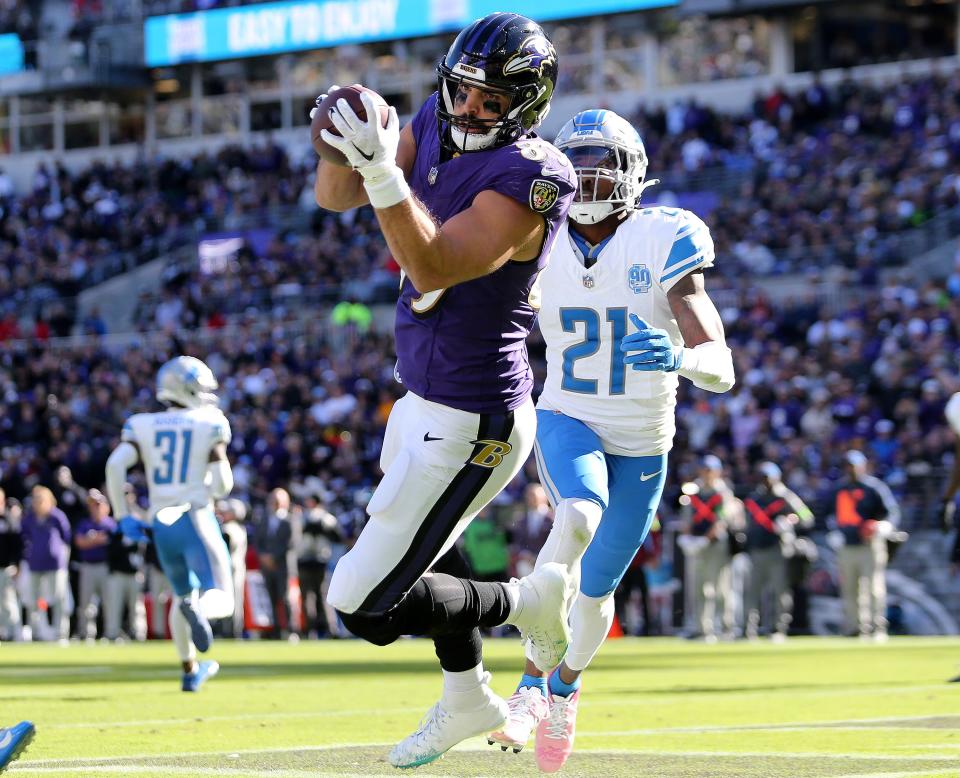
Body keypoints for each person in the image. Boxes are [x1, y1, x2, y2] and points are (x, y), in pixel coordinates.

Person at [314, 12, 578, 768]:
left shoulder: (535, 174)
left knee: (361, 606)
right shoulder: (435, 116)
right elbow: (336, 195)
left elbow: (435, 266)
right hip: (422, 399)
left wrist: (381, 173)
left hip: (477, 419)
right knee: (431, 554)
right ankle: (466, 696)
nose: (467, 111)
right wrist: (338, 130)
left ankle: (528, 602)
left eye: (490, 102)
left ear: (526, 105)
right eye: (461, 93)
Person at [489, 109, 735, 772]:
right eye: (581, 163)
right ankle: (529, 686)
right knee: (578, 513)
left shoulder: (665, 236)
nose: (593, 175)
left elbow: (723, 365)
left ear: (633, 172)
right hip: (570, 413)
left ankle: (564, 687)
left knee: (597, 591)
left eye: (605, 161)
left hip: (645, 440)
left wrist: (682, 357)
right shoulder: (535, 235)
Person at [105, 356, 235, 692]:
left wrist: (122, 517)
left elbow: (115, 466)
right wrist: (209, 489)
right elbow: (223, 483)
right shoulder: (209, 422)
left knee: (182, 595)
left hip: (160, 524)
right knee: (220, 596)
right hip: (194, 516)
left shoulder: (142, 423)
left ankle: (189, 669)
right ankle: (200, 612)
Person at [833, 450, 901, 641]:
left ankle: (877, 626)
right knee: (849, 589)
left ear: (862, 466)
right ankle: (854, 627)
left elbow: (892, 512)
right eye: (847, 465)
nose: (850, 469)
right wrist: (834, 531)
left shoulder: (874, 487)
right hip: (847, 544)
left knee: (873, 587)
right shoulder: (840, 489)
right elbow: (831, 513)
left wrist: (882, 525)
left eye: (853, 465)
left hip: (869, 543)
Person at [742, 462, 813, 642]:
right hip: (757, 550)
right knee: (752, 592)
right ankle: (748, 628)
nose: (765, 481)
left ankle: (777, 628)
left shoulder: (786, 497)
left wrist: (790, 520)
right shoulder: (755, 498)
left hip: (779, 550)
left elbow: (806, 517)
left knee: (780, 591)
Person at [680, 456, 741, 643]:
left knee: (721, 587)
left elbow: (721, 521)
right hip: (698, 544)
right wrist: (688, 538)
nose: (706, 473)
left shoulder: (723, 493)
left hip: (717, 545)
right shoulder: (694, 493)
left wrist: (705, 540)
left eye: (709, 470)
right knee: (700, 588)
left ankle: (726, 626)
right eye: (703, 469)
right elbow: (687, 518)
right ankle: (702, 628)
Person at [21, 486, 72, 642]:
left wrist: (63, 558)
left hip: (55, 565)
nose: (38, 504)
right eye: (36, 500)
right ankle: (38, 630)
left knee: (59, 597)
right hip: (35, 564)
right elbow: (24, 538)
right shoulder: (29, 518)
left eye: (41, 500)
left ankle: (60, 631)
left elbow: (66, 538)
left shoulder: (57, 517)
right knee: (36, 600)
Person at [294, 494, 343, 638]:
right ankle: (319, 629)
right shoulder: (305, 516)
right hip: (308, 559)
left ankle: (323, 628)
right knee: (313, 596)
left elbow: (337, 536)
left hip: (318, 559)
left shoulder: (323, 518)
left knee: (318, 596)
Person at [73, 489, 116, 640]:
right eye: (93, 505)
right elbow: (80, 542)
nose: (96, 508)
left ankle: (111, 633)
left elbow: (113, 544)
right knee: (86, 603)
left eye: (98, 504)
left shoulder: (110, 524)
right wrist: (95, 540)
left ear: (105, 506)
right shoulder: (85, 523)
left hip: (106, 567)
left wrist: (91, 540)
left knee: (109, 602)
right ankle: (86, 633)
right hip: (88, 566)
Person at [253, 488, 294, 639]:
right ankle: (275, 630)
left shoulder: (290, 519)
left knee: (285, 598)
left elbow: (291, 543)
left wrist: (273, 558)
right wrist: (264, 557)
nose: (274, 504)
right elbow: (257, 541)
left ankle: (290, 629)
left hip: (282, 566)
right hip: (267, 567)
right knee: (271, 598)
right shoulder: (263, 519)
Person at [0, 490, 23, 643]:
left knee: (8, 601)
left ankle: (14, 633)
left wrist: (17, 565)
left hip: (6, 567)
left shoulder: (9, 519)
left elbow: (17, 546)